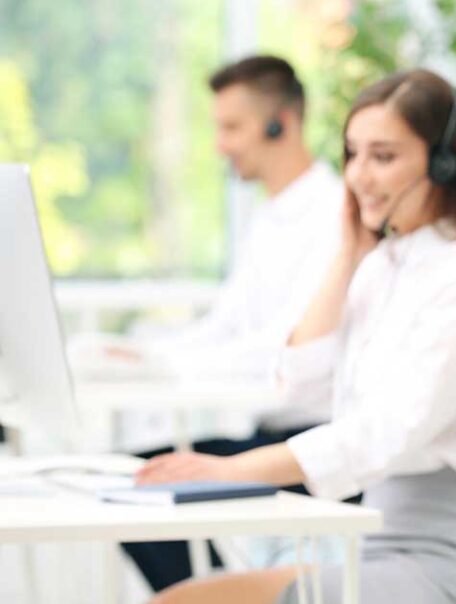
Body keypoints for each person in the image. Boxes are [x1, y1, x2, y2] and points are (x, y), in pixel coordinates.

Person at [139, 68, 456, 604]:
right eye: (352, 154)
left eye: (383, 157)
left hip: (443, 559)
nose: (359, 176)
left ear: (443, 163)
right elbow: (300, 387)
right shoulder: (379, 268)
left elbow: (387, 431)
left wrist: (229, 469)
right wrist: (346, 256)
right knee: (178, 598)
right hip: (368, 541)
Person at [120, 55, 344, 592]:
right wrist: (150, 357)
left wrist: (170, 367)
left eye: (232, 128)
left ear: (281, 124)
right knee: (135, 478)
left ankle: (213, 597)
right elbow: (224, 328)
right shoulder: (268, 217)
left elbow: (279, 348)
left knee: (142, 486)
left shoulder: (333, 214)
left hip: (310, 441)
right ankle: (213, 595)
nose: (221, 144)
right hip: (266, 432)